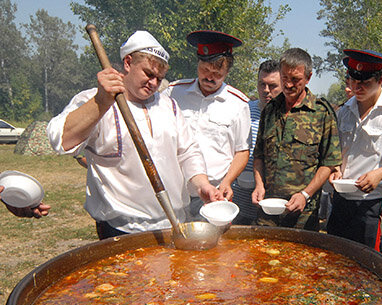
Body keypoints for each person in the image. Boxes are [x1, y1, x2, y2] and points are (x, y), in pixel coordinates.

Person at [47, 31, 219, 239]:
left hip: (173, 222)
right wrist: (101, 102)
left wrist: (202, 185)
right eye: (148, 74)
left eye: (160, 78)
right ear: (128, 62)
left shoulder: (168, 105)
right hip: (121, 229)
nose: (154, 84)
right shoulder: (94, 99)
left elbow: (187, 151)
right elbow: (61, 140)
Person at [327, 49, 382, 248]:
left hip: (372, 202)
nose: (358, 88)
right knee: (336, 257)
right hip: (341, 199)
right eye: (353, 81)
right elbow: (337, 153)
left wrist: (379, 174)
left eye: (365, 83)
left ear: (380, 79)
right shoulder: (345, 111)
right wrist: (335, 169)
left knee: (369, 263)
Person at [252, 48, 341, 230]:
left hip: (302, 214)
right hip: (268, 209)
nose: (289, 85)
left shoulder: (321, 113)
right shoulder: (270, 111)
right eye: (285, 78)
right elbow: (259, 155)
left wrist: (305, 195)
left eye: (295, 80)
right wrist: (259, 185)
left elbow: (329, 162)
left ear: (308, 78)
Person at [165, 30, 251, 219]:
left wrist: (227, 182)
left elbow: (242, 151)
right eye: (205, 70)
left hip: (212, 194)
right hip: (172, 191)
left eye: (217, 74)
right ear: (198, 64)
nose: (210, 78)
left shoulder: (238, 104)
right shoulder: (173, 93)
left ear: (227, 72)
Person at [231, 60, 281, 225]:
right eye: (262, 84)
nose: (266, 91)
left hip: (273, 204)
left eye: (272, 86)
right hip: (240, 199)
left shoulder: (287, 116)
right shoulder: (243, 110)